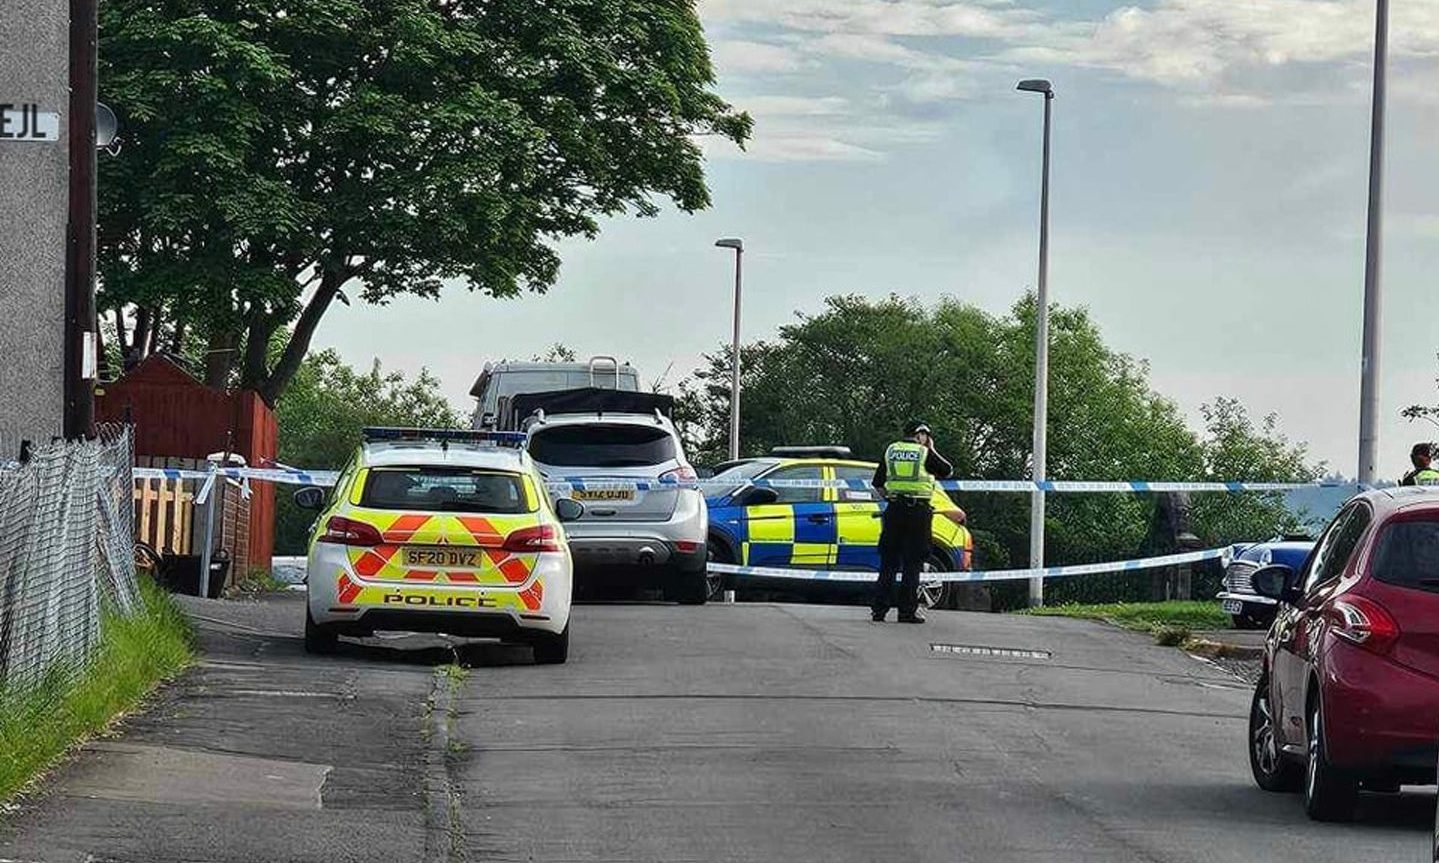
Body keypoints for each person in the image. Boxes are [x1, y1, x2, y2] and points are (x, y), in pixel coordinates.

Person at [871, 421, 953, 623]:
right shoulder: (924, 453)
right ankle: (906, 611)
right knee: (913, 563)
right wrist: (931, 449)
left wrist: (891, 498)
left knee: (888, 561)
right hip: (918, 512)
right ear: (919, 435)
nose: (926, 439)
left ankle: (879, 610)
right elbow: (947, 470)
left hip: (894, 509)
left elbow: (878, 484)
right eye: (926, 435)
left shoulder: (891, 450)